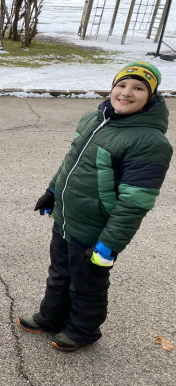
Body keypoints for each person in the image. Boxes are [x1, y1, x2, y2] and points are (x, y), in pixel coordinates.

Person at [18, 61, 172, 352]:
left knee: (87, 284)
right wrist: (53, 191)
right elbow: (71, 162)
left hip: (96, 230)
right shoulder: (95, 118)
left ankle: (83, 330)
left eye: (139, 88)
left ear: (151, 96)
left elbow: (135, 201)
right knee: (59, 273)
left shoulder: (150, 142)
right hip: (67, 217)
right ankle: (51, 316)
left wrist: (109, 244)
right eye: (122, 85)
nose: (127, 93)